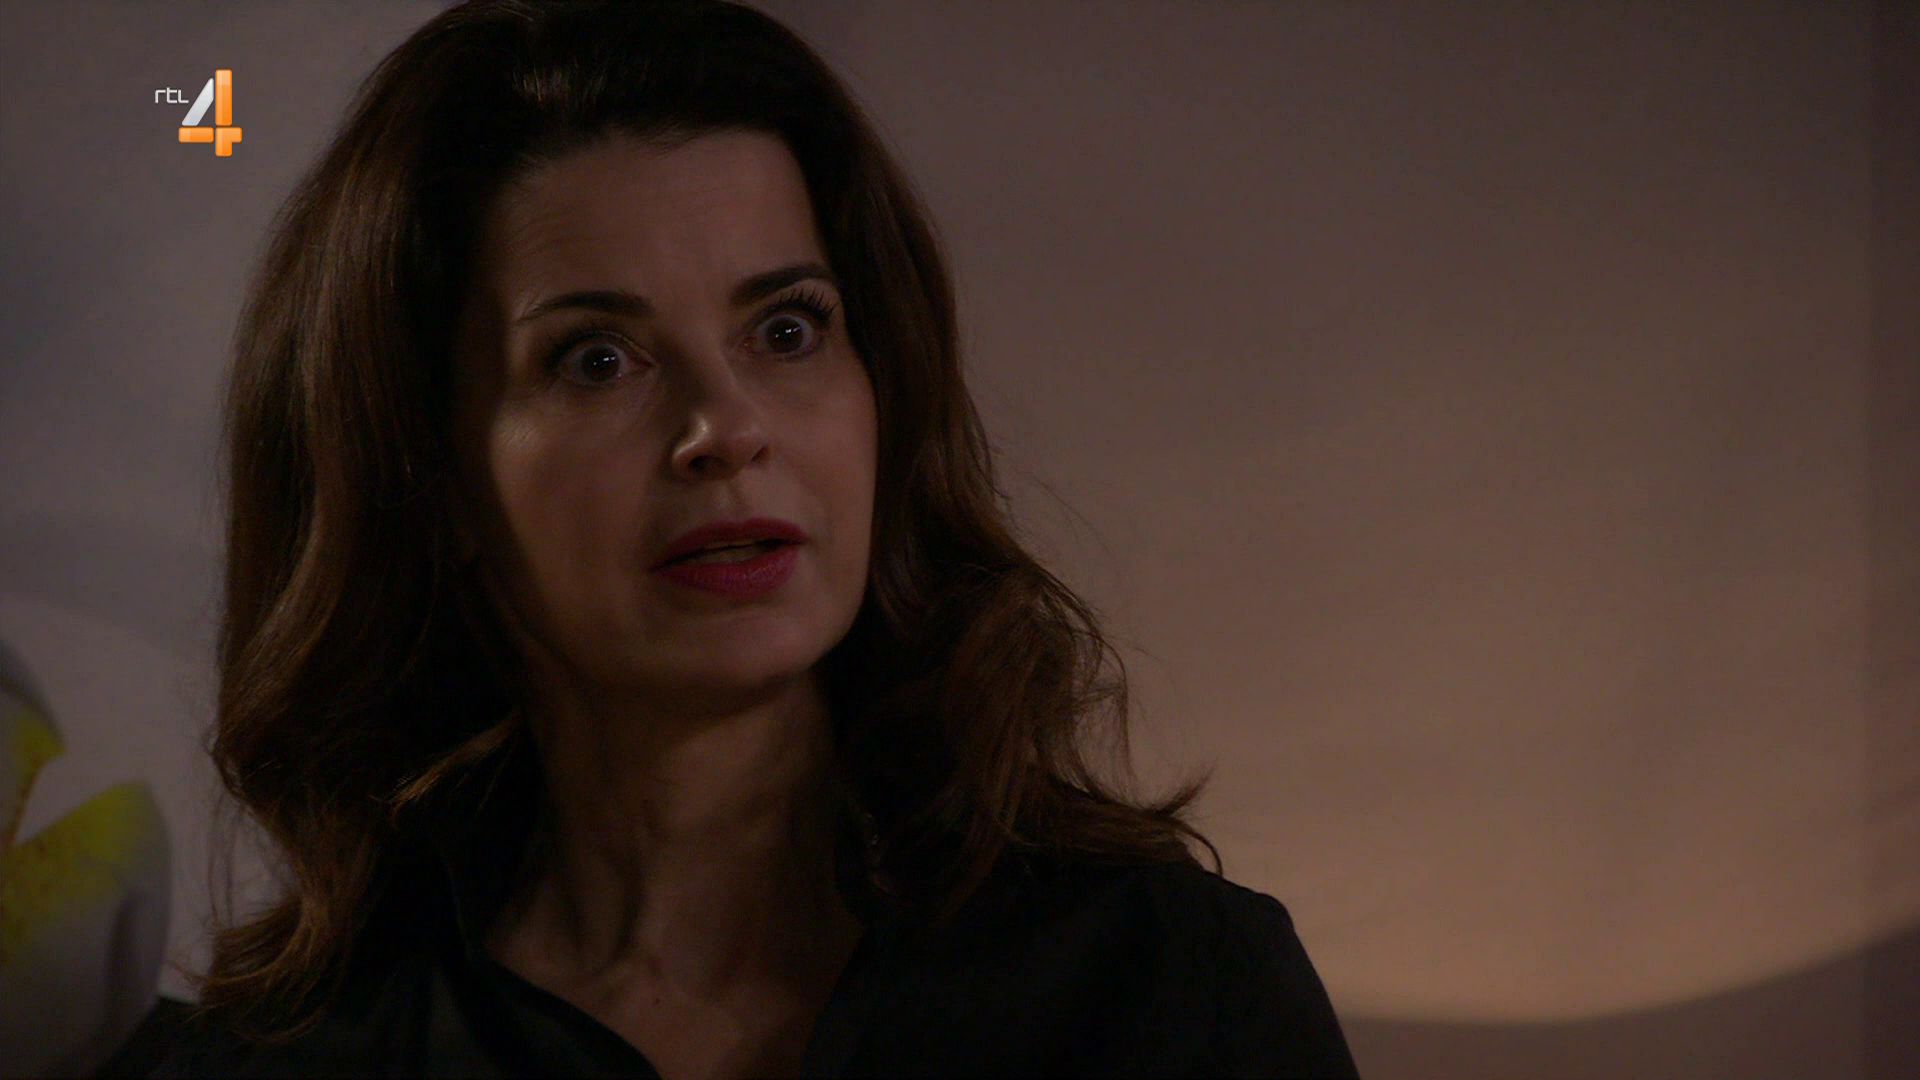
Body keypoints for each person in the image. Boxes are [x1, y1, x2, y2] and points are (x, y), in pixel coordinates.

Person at [100, 1, 1360, 1076]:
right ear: (430, 480)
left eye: (787, 330)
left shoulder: (1170, 991)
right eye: (597, 359)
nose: (728, 427)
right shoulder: (285, 1060)